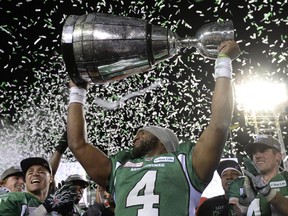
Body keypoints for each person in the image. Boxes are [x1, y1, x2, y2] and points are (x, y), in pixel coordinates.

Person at [66, 40, 241, 215]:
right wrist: (77, 92)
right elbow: (77, 144)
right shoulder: (120, 167)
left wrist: (224, 62)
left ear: (163, 141)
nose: (135, 137)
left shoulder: (187, 163)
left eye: (142, 133)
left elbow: (219, 124)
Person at [228, 134, 288, 215]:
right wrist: (242, 204)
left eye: (263, 150)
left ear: (278, 156)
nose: (257, 155)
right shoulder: (239, 183)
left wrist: (267, 191)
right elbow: (231, 214)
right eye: (254, 152)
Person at [0, 157, 77, 215]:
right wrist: (44, 208)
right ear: (26, 180)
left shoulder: (57, 206)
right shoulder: (11, 199)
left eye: (41, 172)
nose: (35, 174)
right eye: (30, 172)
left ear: (51, 178)